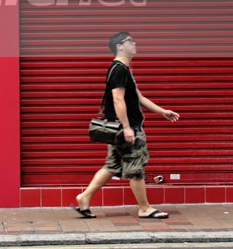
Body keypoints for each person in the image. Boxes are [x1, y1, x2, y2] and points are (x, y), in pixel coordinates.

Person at [73, 32, 180, 220]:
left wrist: (162, 111)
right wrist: (128, 127)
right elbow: (117, 99)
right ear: (119, 46)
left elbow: (139, 97)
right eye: (130, 41)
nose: (134, 43)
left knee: (112, 166)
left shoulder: (123, 69)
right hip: (126, 130)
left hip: (118, 130)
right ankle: (144, 208)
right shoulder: (119, 69)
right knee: (136, 167)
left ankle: (85, 197)